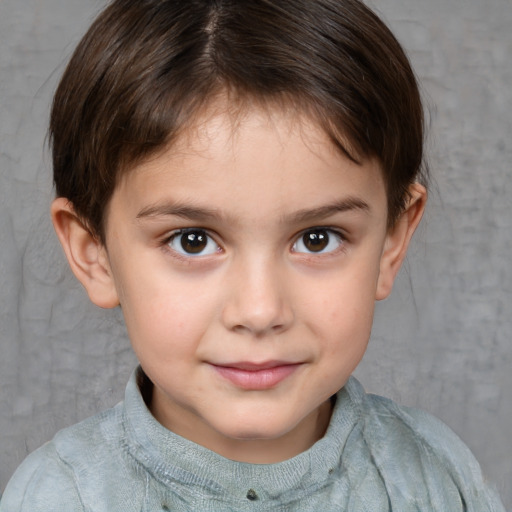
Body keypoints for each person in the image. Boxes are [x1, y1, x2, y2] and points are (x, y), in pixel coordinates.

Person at [0, 0, 505, 510]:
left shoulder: (435, 478)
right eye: (192, 240)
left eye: (317, 238)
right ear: (96, 255)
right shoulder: (61, 497)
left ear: (391, 242)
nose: (260, 311)